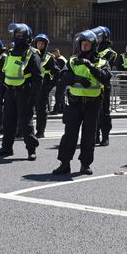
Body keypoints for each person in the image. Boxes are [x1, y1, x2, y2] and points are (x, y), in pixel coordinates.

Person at [52, 30, 112, 175]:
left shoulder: (102, 62)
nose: (84, 47)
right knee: (69, 135)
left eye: (87, 44)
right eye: (82, 44)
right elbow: (63, 77)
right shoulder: (72, 60)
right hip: (74, 103)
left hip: (93, 104)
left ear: (94, 46)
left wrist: (90, 66)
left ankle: (85, 164)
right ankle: (64, 164)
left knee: (89, 135)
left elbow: (105, 78)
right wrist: (78, 79)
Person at [0, 23, 42, 161]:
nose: (17, 37)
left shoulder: (32, 54)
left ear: (27, 37)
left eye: (20, 35)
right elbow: (4, 73)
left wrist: (33, 96)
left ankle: (31, 150)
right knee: (8, 121)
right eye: (16, 35)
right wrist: (1, 92)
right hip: (10, 91)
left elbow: (38, 78)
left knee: (26, 123)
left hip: (24, 92)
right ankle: (6, 148)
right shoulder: (10, 52)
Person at [92, 26, 117, 146]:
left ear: (105, 37)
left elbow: (105, 67)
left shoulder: (110, 53)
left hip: (104, 86)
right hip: (92, 86)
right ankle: (95, 136)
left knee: (104, 113)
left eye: (99, 36)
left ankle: (105, 136)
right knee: (93, 113)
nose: (97, 38)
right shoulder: (93, 50)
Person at [33, 34, 59, 138]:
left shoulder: (49, 57)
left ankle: (40, 131)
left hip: (42, 88)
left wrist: (50, 86)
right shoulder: (31, 54)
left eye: (42, 43)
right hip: (31, 86)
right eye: (38, 43)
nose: (40, 45)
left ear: (45, 45)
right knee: (26, 109)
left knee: (41, 111)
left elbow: (57, 73)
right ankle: (23, 130)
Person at [50, 48, 67, 115]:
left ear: (56, 52)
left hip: (61, 79)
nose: (53, 55)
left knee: (58, 95)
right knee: (61, 95)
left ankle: (56, 110)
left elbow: (57, 70)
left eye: (53, 53)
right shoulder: (63, 58)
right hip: (63, 78)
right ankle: (62, 109)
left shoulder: (59, 60)